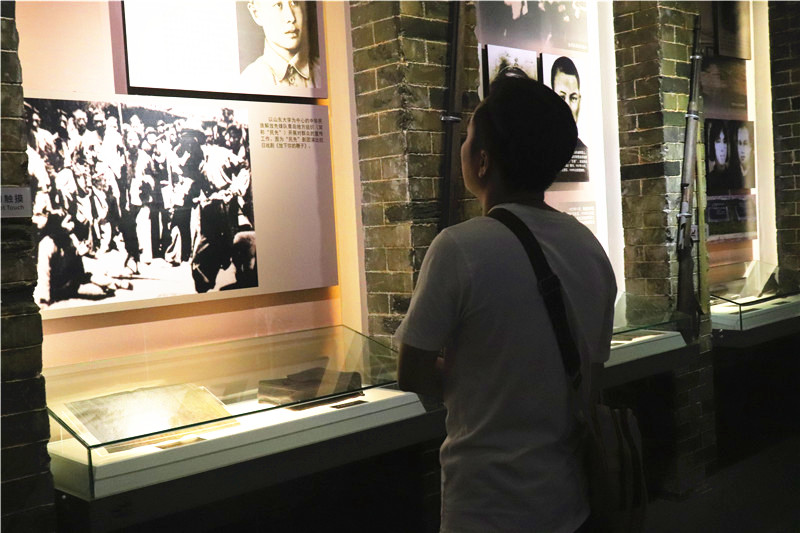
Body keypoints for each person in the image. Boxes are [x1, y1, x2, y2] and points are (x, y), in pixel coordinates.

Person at [395, 75, 616, 533]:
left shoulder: (458, 248)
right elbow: (591, 377)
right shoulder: (589, 248)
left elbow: (412, 371)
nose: (463, 147)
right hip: (567, 500)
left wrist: (480, 381)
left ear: (482, 161)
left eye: (468, 137)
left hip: (486, 505)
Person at [240, 0, 321, 89]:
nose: (291, 17)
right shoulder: (248, 81)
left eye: (294, 3)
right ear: (256, 13)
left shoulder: (324, 72)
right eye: (278, 5)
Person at [551, 56, 588, 182]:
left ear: (579, 101)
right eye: (561, 97)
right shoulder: (543, 151)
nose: (567, 106)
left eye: (573, 98)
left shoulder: (583, 150)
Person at [706, 120, 733, 194]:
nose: (722, 148)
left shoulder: (734, 178)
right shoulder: (710, 179)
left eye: (724, 142)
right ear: (713, 145)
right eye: (718, 142)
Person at [734, 121, 754, 189]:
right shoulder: (732, 174)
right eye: (739, 143)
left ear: (751, 146)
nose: (742, 150)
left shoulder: (756, 173)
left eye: (745, 143)